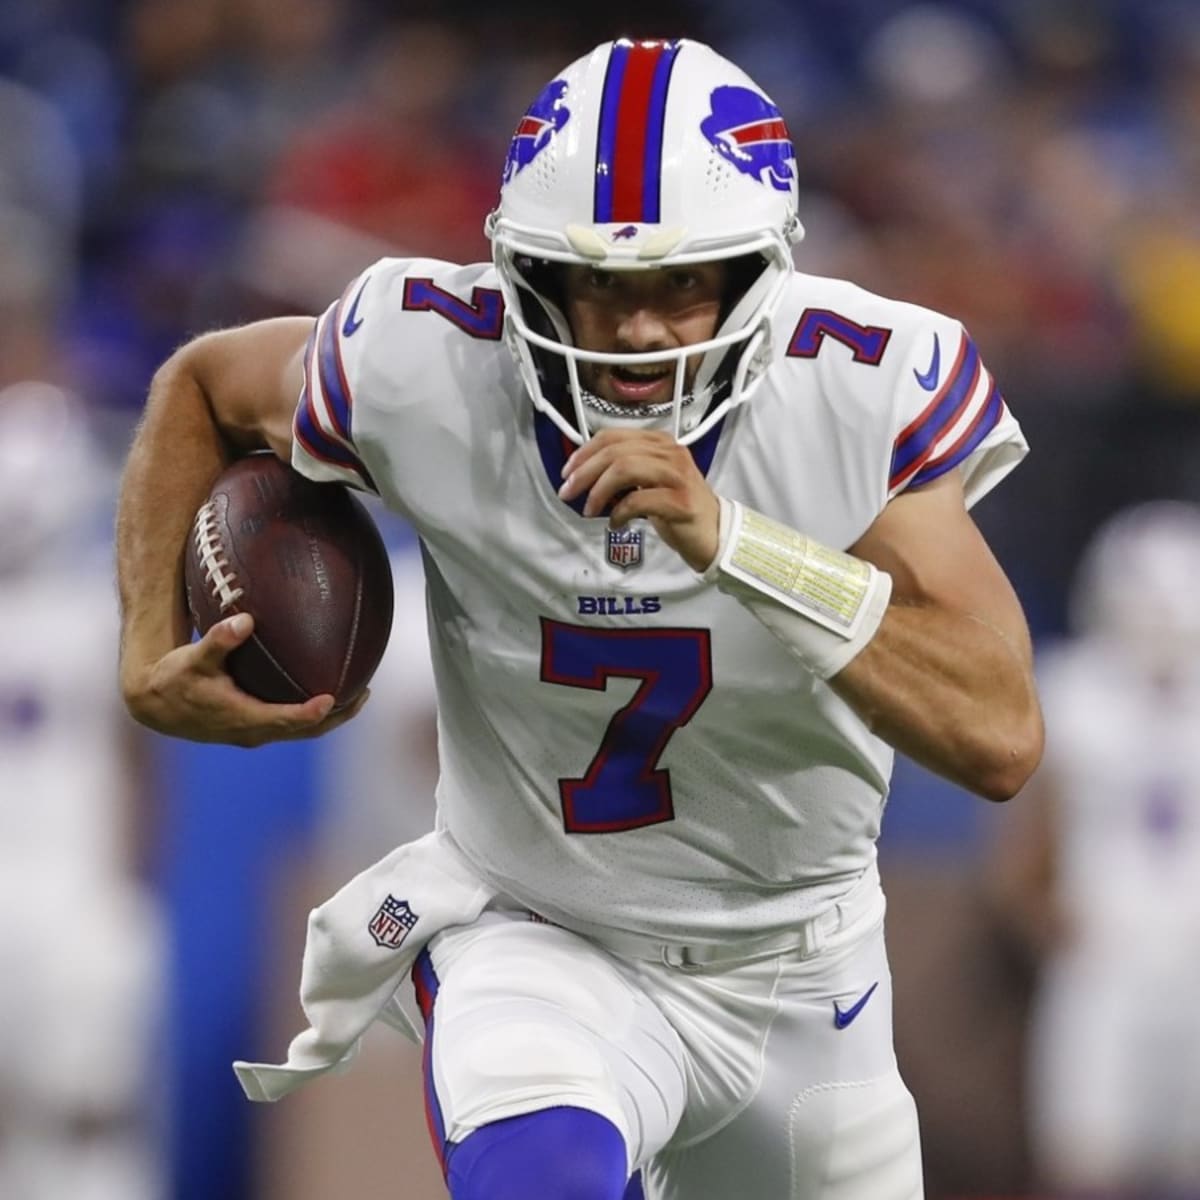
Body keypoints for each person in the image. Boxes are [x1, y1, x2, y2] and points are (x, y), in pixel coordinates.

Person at [116, 37, 1043, 1200]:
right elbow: (205, 382)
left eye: (682, 282)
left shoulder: (856, 388)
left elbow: (999, 732)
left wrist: (738, 544)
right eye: (601, 284)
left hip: (802, 976)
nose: (642, 331)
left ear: (762, 274)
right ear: (525, 273)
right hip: (541, 931)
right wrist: (148, 637)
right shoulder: (422, 357)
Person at [987, 501, 1200, 1199]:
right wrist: (1064, 939)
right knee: (1085, 1160)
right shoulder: (1073, 692)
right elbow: (1021, 859)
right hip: (1104, 960)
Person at [1, 383, 166, 1200]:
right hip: (60, 894)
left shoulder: (102, 615)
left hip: (80, 890)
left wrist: (134, 880)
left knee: (90, 1112)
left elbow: (140, 763)